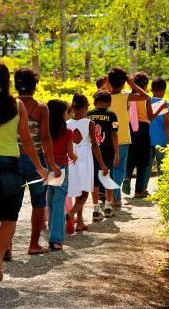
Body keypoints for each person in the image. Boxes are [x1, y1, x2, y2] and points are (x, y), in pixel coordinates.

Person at [0, 64, 48, 282]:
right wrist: (40, 167)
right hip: (11, 165)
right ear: (7, 82)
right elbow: (27, 141)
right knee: (9, 217)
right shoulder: (18, 105)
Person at [14, 68, 61, 256]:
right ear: (35, 86)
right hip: (36, 161)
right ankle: (33, 245)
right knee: (38, 203)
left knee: (12, 203)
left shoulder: (10, 105)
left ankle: (7, 247)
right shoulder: (41, 108)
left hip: (13, 159)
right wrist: (52, 163)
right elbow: (45, 137)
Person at [106, 67, 151, 207]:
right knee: (120, 169)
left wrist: (105, 84)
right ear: (124, 82)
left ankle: (116, 198)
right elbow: (146, 97)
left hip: (107, 140)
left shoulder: (105, 97)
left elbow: (95, 95)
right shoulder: (126, 97)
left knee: (110, 169)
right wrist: (132, 84)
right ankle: (114, 194)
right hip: (123, 139)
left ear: (109, 81)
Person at [67, 93, 109, 232]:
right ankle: (71, 214)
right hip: (85, 157)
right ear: (85, 107)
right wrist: (102, 164)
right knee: (84, 192)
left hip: (71, 157)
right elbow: (95, 145)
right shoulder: (89, 123)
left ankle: (80, 222)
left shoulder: (67, 123)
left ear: (73, 107)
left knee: (79, 191)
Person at [124, 72, 166, 198]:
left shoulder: (127, 95)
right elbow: (151, 116)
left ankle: (126, 177)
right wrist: (160, 108)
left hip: (130, 128)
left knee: (130, 158)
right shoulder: (145, 98)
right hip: (142, 129)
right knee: (143, 161)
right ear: (145, 85)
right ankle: (139, 191)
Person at [46, 99, 77, 250]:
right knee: (59, 203)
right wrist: (76, 157)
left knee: (51, 200)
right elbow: (70, 154)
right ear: (61, 114)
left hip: (48, 166)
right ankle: (56, 239)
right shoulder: (67, 132)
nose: (67, 114)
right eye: (66, 111)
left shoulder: (45, 131)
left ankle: (51, 233)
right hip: (62, 169)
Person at [87, 90, 119, 220]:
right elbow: (114, 134)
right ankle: (108, 206)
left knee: (93, 180)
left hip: (91, 152)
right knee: (107, 178)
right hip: (107, 152)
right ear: (109, 102)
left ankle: (96, 208)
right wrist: (117, 153)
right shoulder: (112, 115)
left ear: (95, 102)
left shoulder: (88, 115)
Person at [141, 78, 169, 191]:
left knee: (147, 166)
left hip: (147, 139)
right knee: (162, 166)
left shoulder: (146, 102)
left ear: (151, 89)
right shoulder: (167, 104)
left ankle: (143, 188)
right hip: (161, 139)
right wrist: (168, 139)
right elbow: (166, 123)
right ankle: (163, 189)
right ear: (164, 90)